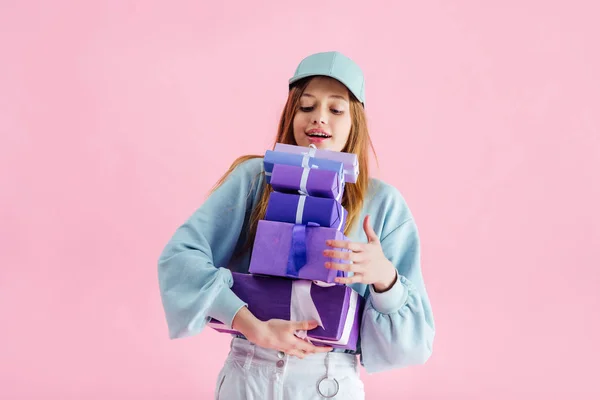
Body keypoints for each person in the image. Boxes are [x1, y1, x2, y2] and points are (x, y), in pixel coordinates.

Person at [157, 51, 435, 400]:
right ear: (291, 115)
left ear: (356, 123)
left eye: (336, 110)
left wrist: (385, 278)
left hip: (329, 382)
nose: (319, 119)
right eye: (306, 107)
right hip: (249, 375)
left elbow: (412, 344)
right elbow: (180, 259)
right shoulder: (254, 179)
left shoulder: (383, 204)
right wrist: (251, 326)